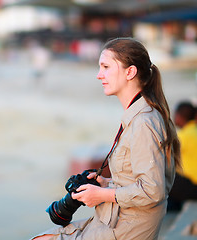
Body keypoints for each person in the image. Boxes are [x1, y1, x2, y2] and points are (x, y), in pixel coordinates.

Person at [31, 37, 180, 240]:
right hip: (116, 220)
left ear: (130, 72)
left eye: (106, 67)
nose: (99, 75)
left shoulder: (144, 122)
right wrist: (106, 183)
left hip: (125, 229)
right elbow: (141, 180)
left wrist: (102, 195)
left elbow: (153, 191)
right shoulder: (141, 114)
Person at [168, 101, 197, 211]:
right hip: (192, 186)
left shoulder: (182, 136)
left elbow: (163, 157)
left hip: (193, 186)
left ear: (179, 116)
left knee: (166, 175)